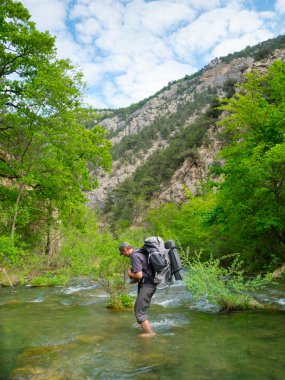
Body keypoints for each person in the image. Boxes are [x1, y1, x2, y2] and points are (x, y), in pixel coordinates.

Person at [119, 242, 157, 337]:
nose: (123, 255)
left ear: (125, 250)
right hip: (149, 284)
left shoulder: (134, 256)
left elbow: (139, 275)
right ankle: (145, 329)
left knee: (140, 310)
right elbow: (143, 273)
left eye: (122, 253)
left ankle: (149, 333)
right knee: (137, 307)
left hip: (147, 285)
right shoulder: (140, 252)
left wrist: (129, 273)